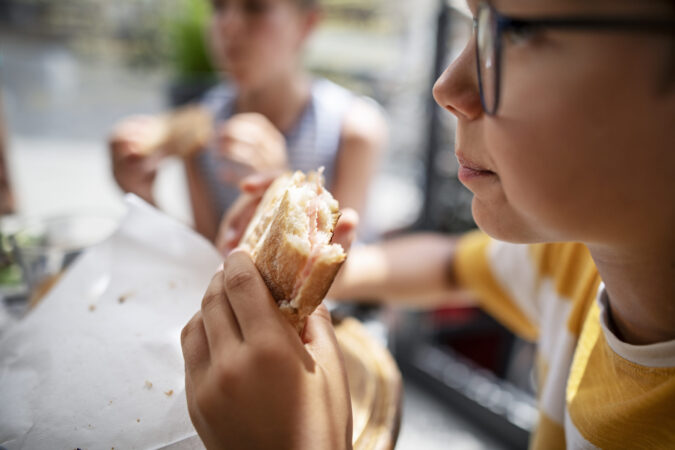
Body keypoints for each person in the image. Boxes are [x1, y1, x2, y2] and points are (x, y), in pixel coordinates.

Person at [180, 0, 675, 448]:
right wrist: (309, 268)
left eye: (515, 31)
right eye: (473, 24)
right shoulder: (572, 258)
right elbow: (447, 269)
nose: (447, 87)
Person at [110, 0, 386, 243]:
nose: (228, 26)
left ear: (307, 24)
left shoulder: (351, 129)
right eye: (219, 6)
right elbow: (211, 252)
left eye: (255, 7)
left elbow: (341, 263)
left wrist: (282, 192)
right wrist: (144, 197)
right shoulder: (202, 126)